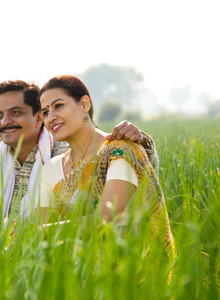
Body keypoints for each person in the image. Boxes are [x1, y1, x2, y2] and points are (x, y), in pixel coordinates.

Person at [0, 80, 159, 228]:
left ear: (38, 119)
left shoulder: (63, 149)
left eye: (15, 113)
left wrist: (141, 143)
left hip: (56, 240)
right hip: (0, 234)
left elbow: (129, 166)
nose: (6, 122)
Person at [37, 75, 176, 262]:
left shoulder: (120, 150)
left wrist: (37, 232)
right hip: (77, 272)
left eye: (58, 106)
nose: (51, 117)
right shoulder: (51, 169)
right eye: (45, 112)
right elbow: (42, 226)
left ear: (84, 104)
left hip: (133, 268)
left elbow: (105, 217)